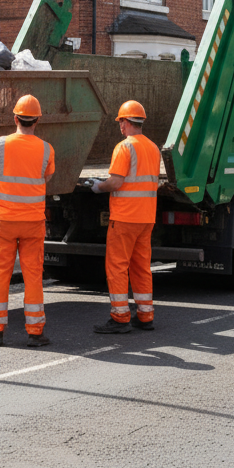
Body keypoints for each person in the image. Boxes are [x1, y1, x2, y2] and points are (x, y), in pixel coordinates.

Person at [0, 94, 55, 348]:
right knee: (33, 276)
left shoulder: (0, 145)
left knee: (0, 274)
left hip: (4, 222)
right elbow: (45, 178)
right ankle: (35, 332)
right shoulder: (47, 149)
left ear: (15, 118)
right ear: (37, 120)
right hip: (33, 223)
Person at [88, 100, 160, 334]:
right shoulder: (153, 148)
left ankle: (120, 318)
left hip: (125, 217)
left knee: (118, 267)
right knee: (141, 267)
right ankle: (145, 315)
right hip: (146, 217)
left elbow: (116, 182)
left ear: (126, 123)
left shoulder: (124, 147)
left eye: (120, 122)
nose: (120, 126)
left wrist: (99, 187)